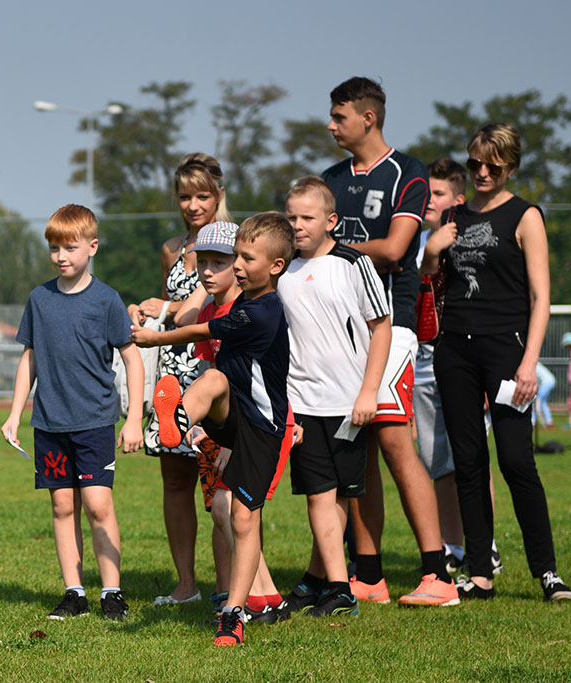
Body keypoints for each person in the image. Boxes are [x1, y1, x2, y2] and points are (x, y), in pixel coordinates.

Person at [423, 123, 571, 601]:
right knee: (467, 462)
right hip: (454, 349)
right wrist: (431, 250)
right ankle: (481, 571)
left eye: (493, 165)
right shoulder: (452, 216)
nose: (483, 172)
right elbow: (430, 281)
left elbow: (540, 296)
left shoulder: (525, 215)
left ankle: (546, 571)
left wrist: (529, 363)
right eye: (475, 164)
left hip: (507, 349)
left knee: (515, 459)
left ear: (510, 167)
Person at [132, 211, 294, 646]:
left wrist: (155, 337)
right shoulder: (242, 299)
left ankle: (234, 614)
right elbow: (198, 319)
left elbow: (202, 327)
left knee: (242, 518)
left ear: (276, 266)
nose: (237, 265)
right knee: (215, 378)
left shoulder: (265, 310)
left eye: (246, 258)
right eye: (235, 256)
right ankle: (181, 419)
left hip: (262, 429)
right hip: (232, 414)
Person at [321, 77, 454, 603]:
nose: (331, 126)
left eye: (339, 116)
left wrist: (334, 245)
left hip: (390, 325)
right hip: (343, 327)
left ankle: (438, 575)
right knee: (360, 445)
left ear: (368, 117)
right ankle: (369, 574)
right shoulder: (330, 178)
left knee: (397, 443)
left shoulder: (408, 171)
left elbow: (399, 247)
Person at [1, 204, 145, 622]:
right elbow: (29, 359)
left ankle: (112, 593)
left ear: (92, 247)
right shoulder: (39, 299)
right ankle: (75, 593)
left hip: (96, 423)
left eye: (70, 247)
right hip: (49, 424)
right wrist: (15, 415)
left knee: (99, 506)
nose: (61, 256)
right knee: (63, 507)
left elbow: (132, 360)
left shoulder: (107, 301)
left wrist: (133, 417)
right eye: (54, 248)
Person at [272, 177, 402, 619]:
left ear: (331, 220)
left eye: (307, 218)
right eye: (291, 217)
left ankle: (329, 584)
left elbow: (380, 327)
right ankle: (333, 584)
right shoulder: (282, 268)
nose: (298, 225)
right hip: (302, 402)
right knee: (319, 496)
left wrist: (369, 392)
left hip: (347, 403)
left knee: (337, 497)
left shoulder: (353, 263)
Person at [128, 153, 232, 606]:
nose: (192, 205)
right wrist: (143, 311)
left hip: (213, 369)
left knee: (222, 483)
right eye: (185, 196)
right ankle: (186, 584)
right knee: (175, 482)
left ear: (219, 195)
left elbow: (195, 309)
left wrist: (162, 309)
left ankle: (232, 585)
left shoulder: (236, 241)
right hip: (171, 368)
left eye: (202, 195)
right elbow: (169, 306)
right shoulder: (172, 247)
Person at [173, 221, 290, 622]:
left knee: (238, 511)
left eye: (221, 261)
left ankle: (245, 603)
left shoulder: (259, 309)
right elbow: (216, 373)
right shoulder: (215, 306)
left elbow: (279, 371)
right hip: (232, 424)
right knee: (228, 510)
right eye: (201, 261)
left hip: (265, 427)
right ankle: (263, 598)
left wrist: (227, 442)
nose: (211, 269)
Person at [414, 159, 503, 576]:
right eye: (424, 193)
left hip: (466, 357)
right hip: (423, 359)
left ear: (459, 199)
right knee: (438, 463)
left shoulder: (471, 239)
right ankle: (452, 545)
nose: (428, 201)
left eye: (438, 193)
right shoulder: (413, 239)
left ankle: (485, 544)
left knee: (473, 457)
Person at [535, 361, 556, 430]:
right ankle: (549, 421)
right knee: (543, 403)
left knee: (537, 402)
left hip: (546, 383)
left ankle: (533, 422)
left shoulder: (532, 365)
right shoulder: (536, 363)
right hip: (551, 381)